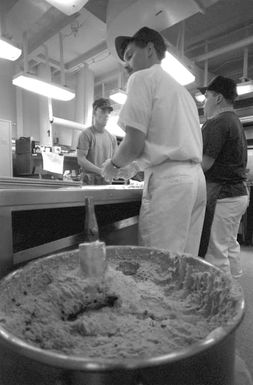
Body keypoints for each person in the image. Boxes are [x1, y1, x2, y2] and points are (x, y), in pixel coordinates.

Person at [102, 26, 206, 256]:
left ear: (149, 50)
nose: (126, 64)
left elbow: (134, 142)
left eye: (130, 55)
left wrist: (114, 165)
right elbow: (168, 140)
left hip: (170, 183)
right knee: (186, 262)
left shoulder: (142, 78)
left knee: (158, 261)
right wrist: (136, 166)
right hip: (196, 181)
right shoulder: (182, 92)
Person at [198, 75, 249, 278]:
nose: (204, 102)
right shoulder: (233, 120)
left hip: (224, 196)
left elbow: (205, 164)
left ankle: (223, 301)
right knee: (229, 244)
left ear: (218, 98)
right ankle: (235, 289)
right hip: (238, 194)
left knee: (216, 251)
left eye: (207, 96)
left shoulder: (217, 122)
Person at [77, 98, 117, 185]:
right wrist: (101, 171)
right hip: (89, 183)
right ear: (94, 112)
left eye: (108, 112)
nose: (106, 115)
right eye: (103, 111)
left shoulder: (112, 138)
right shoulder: (86, 134)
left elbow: (115, 161)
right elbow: (81, 159)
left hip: (106, 184)